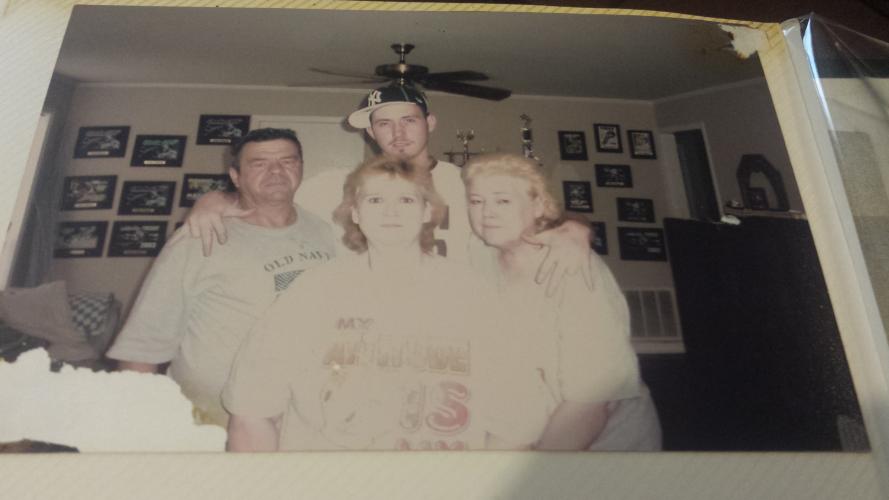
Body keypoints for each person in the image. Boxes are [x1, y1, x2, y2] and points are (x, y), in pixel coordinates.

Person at [223, 157, 544, 451]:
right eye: (375, 200)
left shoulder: (473, 293)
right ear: (356, 213)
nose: (391, 212)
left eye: (406, 200)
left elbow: (517, 424)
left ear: (428, 211)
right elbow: (251, 410)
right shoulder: (312, 290)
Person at [187, 84, 593, 295]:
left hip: (456, 316)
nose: (397, 134)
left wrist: (576, 231)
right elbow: (266, 200)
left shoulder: (469, 182)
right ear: (369, 130)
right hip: (366, 319)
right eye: (384, 123)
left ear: (429, 123)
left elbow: (541, 220)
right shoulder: (337, 185)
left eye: (409, 121)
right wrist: (211, 200)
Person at [106, 128, 336, 427]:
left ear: (300, 168)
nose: (276, 170)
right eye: (259, 163)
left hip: (303, 416)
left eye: (287, 161)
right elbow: (143, 343)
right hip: (212, 420)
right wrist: (137, 428)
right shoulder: (198, 237)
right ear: (236, 176)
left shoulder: (322, 231)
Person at [462, 153, 661, 451]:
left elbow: (591, 401)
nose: (487, 212)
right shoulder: (478, 254)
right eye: (476, 201)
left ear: (539, 205)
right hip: (521, 427)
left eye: (502, 201)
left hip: (602, 443)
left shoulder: (574, 269)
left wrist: (539, 475)